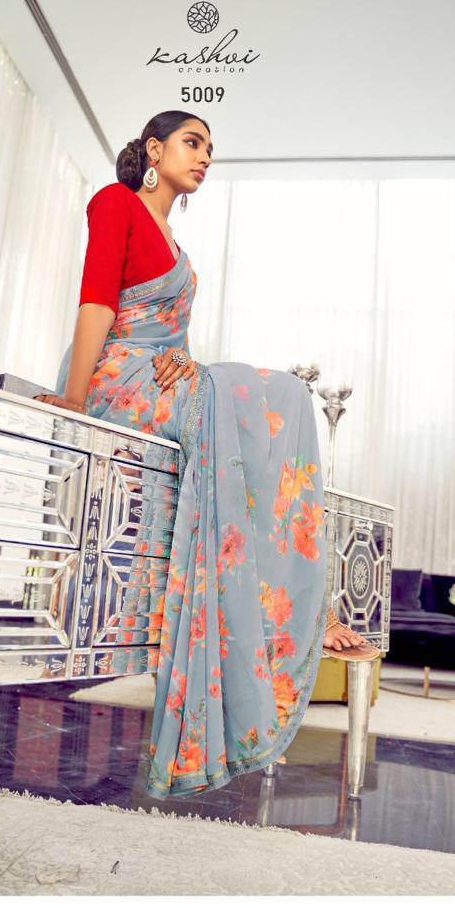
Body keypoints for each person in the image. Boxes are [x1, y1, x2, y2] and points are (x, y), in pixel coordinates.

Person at [34, 111, 376, 799]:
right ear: (153, 149)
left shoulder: (177, 244)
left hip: (162, 379)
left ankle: (301, 609)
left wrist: (187, 369)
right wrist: (73, 399)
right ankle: (309, 611)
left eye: (211, 149)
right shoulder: (115, 203)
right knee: (280, 396)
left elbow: (174, 345)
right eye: (193, 143)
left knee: (277, 409)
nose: (205, 157)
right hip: (114, 376)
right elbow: (97, 303)